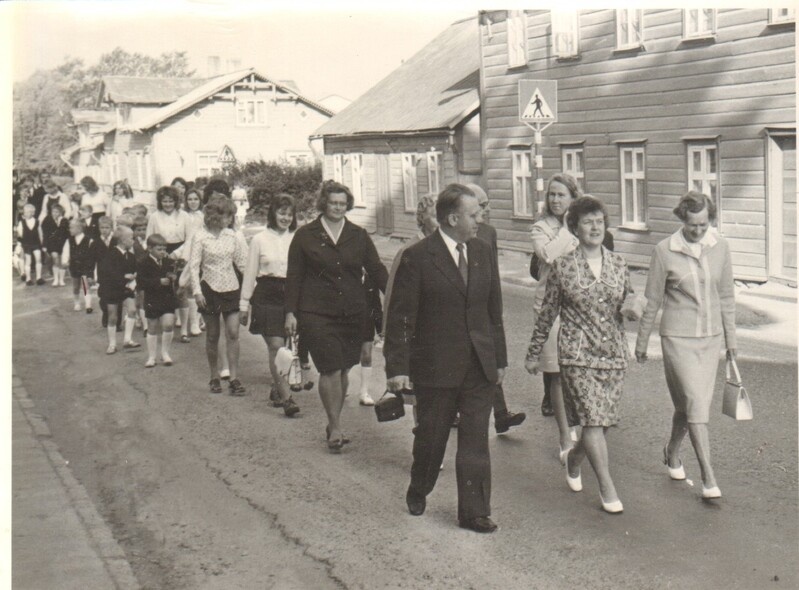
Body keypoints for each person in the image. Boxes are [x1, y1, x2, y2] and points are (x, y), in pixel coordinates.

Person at [384, 183, 507, 533]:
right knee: (432, 436)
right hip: (436, 366)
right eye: (474, 214)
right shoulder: (419, 257)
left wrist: (499, 359)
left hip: (478, 365)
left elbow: (493, 310)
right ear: (453, 218)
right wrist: (398, 368)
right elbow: (401, 317)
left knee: (475, 440)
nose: (480, 219)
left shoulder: (482, 251)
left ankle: (474, 511)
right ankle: (419, 485)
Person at [525, 196, 638, 514]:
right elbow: (547, 313)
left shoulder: (618, 263)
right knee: (591, 420)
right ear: (574, 227)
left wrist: (634, 306)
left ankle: (574, 458)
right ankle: (607, 488)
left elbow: (628, 297)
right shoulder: (563, 266)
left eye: (600, 221)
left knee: (602, 425)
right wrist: (534, 353)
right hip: (577, 354)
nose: (595, 227)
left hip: (613, 354)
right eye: (588, 222)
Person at [635, 191, 736, 500]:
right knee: (695, 403)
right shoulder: (665, 251)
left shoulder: (720, 247)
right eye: (692, 225)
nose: (698, 231)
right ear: (682, 219)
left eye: (704, 225)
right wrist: (641, 342)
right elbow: (652, 300)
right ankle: (708, 476)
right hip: (677, 339)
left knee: (687, 407)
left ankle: (672, 451)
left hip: (710, 339)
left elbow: (727, 297)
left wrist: (731, 343)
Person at [285, 180, 388, 453]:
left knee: (343, 369)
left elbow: (376, 269)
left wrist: (394, 296)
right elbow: (294, 276)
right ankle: (336, 426)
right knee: (330, 367)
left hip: (352, 312)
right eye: (333, 203)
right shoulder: (306, 235)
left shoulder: (358, 234)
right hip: (316, 312)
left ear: (348, 205)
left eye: (343, 204)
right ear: (323, 203)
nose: (338, 208)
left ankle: (335, 423)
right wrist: (290, 312)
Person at [468, 183, 527, 435]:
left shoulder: (489, 232)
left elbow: (493, 275)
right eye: (482, 205)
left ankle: (501, 414)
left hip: (483, 308)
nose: (487, 209)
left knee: (489, 360)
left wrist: (497, 308)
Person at [530, 173, 581, 462]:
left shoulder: (583, 224)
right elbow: (549, 256)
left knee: (578, 370)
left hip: (579, 307)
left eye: (562, 195)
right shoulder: (541, 227)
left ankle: (579, 425)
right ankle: (564, 436)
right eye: (552, 194)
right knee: (558, 374)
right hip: (550, 308)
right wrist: (569, 227)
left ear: (573, 197)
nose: (555, 199)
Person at [240, 193, 301, 417]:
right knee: (275, 345)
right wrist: (244, 305)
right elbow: (250, 273)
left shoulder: (297, 238)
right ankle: (287, 399)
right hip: (266, 294)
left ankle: (278, 386)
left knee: (286, 346)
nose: (285, 217)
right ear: (272, 214)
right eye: (281, 212)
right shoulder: (259, 240)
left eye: (289, 214)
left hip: (292, 295)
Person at [383, 194, 439, 429]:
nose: (439, 221)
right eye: (434, 216)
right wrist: (389, 337)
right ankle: (423, 438)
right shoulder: (410, 250)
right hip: (417, 334)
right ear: (422, 218)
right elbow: (393, 296)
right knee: (420, 396)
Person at [189, 195, 248, 396]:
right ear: (215, 216)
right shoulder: (200, 237)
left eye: (231, 216)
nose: (230, 219)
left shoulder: (232, 236)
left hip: (231, 288)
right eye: (227, 215)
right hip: (209, 289)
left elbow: (242, 264)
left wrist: (253, 287)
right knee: (213, 335)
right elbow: (194, 266)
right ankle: (214, 376)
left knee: (233, 333)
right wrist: (197, 292)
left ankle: (234, 378)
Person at [147, 186, 190, 339]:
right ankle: (164, 325)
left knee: (181, 291)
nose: (168, 204)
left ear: (176, 201)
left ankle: (184, 330)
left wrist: (178, 254)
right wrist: (160, 254)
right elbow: (150, 238)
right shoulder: (154, 216)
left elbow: (190, 238)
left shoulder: (184, 216)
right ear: (160, 202)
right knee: (164, 289)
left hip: (180, 254)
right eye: (164, 201)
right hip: (161, 252)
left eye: (171, 201)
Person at [98, 226, 140, 354]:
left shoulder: (131, 256)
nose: (134, 240)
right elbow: (106, 273)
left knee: (132, 310)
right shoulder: (110, 255)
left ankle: (127, 340)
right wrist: (123, 276)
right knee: (113, 317)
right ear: (123, 240)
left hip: (125, 288)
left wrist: (133, 278)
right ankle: (112, 344)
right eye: (131, 238)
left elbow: (133, 271)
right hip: (111, 289)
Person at [138, 234, 179, 367]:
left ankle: (165, 353)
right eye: (159, 249)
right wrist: (158, 281)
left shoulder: (169, 262)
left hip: (167, 298)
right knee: (152, 327)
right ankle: (151, 357)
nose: (162, 252)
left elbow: (174, 277)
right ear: (150, 249)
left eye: (164, 249)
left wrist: (174, 277)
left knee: (168, 324)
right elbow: (141, 282)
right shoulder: (143, 262)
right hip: (152, 299)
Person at [182, 188, 206, 337]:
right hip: (186, 250)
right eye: (190, 199)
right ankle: (190, 321)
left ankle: (196, 321)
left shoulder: (203, 216)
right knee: (187, 285)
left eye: (196, 199)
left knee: (199, 286)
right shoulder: (183, 216)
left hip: (201, 250)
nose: (193, 202)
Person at [63, 218, 96, 312]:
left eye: (72, 228)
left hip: (85, 265)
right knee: (75, 286)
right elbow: (66, 251)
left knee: (85, 285)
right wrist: (65, 261)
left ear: (79, 229)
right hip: (74, 266)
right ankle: (77, 303)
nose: (69, 230)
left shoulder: (89, 240)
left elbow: (92, 254)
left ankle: (88, 305)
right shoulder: (69, 240)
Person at [41, 203, 69, 287]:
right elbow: (45, 233)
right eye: (53, 211)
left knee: (62, 261)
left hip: (62, 243)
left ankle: (61, 279)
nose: (55, 213)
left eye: (57, 212)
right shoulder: (47, 219)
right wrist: (44, 245)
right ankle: (56, 279)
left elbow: (64, 232)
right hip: (51, 243)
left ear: (61, 212)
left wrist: (60, 221)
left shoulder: (64, 220)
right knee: (55, 258)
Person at [16, 203, 44, 286]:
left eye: (29, 212)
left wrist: (42, 244)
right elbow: (20, 234)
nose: (26, 214)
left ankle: (39, 277)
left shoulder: (37, 221)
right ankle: (28, 278)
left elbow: (40, 233)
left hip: (36, 243)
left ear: (33, 212)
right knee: (28, 261)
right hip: (26, 244)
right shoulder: (22, 222)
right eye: (25, 212)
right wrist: (20, 244)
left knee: (38, 259)